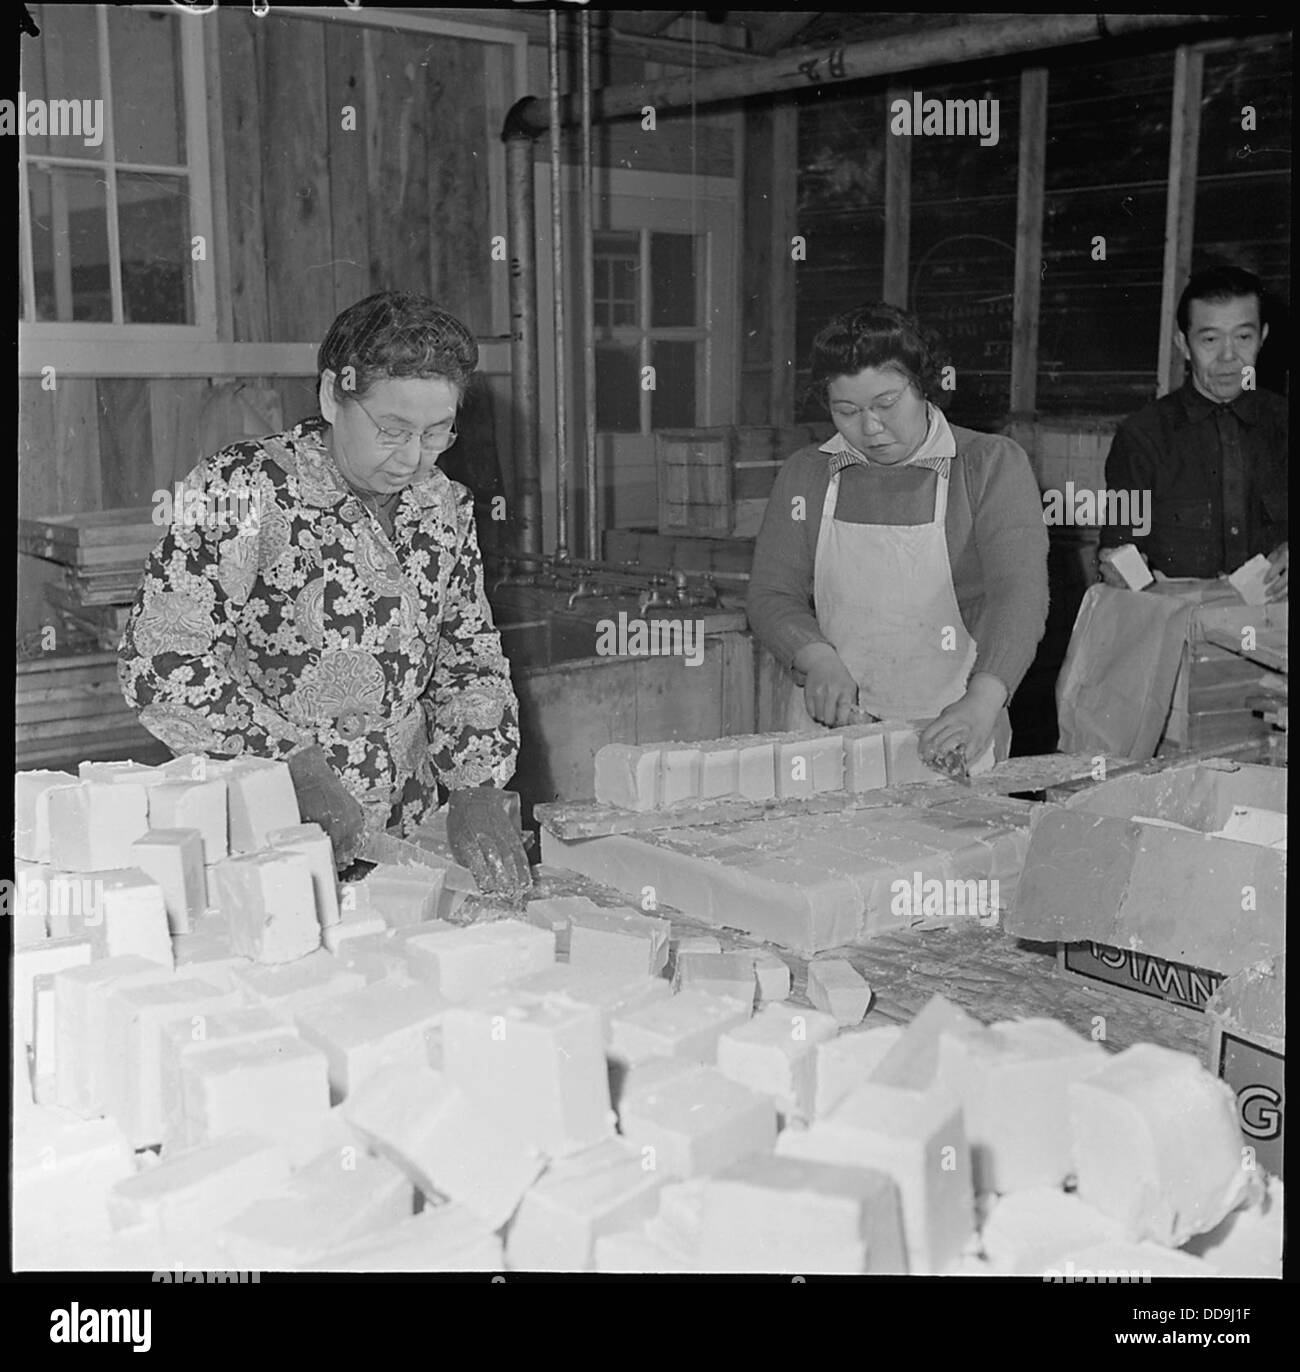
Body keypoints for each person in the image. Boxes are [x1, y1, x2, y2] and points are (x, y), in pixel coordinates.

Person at [119, 291, 529, 892]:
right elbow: (160, 659)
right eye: (392, 430)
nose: (413, 458)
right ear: (334, 395)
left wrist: (477, 783)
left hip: (405, 837)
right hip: (268, 837)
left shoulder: (442, 506)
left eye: (437, 433)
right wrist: (292, 766)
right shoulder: (245, 490)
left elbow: (467, 658)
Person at [747, 303, 1049, 772]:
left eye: (886, 405)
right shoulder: (807, 473)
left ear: (922, 386)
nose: (869, 428)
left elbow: (1020, 595)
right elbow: (771, 593)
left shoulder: (987, 465)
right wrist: (814, 657)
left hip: (952, 726)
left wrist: (984, 700)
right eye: (846, 411)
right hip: (830, 734)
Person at [1097, 265, 1288, 599]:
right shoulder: (1142, 436)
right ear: (1183, 345)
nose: (1229, 357)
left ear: (1263, 337)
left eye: (1244, 337)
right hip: (1177, 627)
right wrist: (1122, 568)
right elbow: (1119, 549)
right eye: (1210, 339)